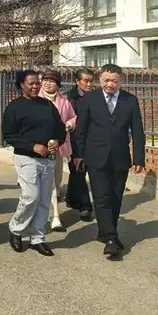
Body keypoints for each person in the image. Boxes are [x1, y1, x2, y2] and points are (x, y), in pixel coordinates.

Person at [73, 63, 145, 259]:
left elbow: (137, 130)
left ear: (120, 81)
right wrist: (79, 154)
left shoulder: (130, 100)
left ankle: (105, 231)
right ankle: (112, 239)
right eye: (106, 80)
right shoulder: (90, 99)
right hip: (95, 156)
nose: (109, 84)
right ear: (100, 80)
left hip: (120, 157)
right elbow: (81, 129)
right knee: (101, 196)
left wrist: (139, 158)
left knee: (115, 197)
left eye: (114, 81)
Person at [3, 70, 66, 256]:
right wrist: (32, 146)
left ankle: (37, 237)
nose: (35, 86)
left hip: (48, 158)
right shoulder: (14, 107)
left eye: (37, 83)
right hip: (26, 158)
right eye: (31, 83)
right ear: (21, 84)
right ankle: (16, 228)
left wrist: (57, 141)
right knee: (31, 196)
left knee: (45, 199)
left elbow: (60, 129)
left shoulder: (48, 106)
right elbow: (9, 135)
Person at [38, 70, 76, 233]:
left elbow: (73, 117)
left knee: (56, 180)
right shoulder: (35, 99)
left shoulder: (64, 101)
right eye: (45, 80)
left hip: (58, 147)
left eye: (52, 81)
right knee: (46, 183)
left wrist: (69, 124)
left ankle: (49, 209)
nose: (48, 83)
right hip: (39, 147)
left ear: (58, 85)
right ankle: (55, 216)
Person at [65, 68, 95, 221]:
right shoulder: (70, 99)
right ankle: (85, 206)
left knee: (78, 172)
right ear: (77, 81)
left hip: (92, 139)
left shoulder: (95, 96)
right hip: (74, 139)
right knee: (78, 170)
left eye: (91, 81)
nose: (89, 84)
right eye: (86, 81)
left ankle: (71, 198)